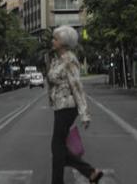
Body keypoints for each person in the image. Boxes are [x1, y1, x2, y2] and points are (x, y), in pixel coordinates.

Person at [47, 26, 102, 184]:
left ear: (63, 43)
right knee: (58, 148)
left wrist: (84, 113)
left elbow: (77, 86)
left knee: (57, 147)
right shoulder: (58, 59)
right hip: (60, 107)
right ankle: (91, 173)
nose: (52, 41)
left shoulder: (70, 59)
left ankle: (89, 172)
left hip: (67, 107)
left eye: (55, 39)